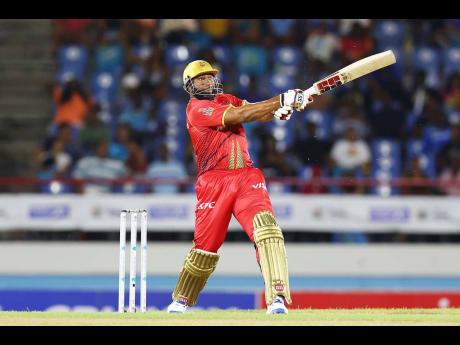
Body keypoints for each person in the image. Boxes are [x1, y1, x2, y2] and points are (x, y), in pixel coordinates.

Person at [166, 60, 313, 314]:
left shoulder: (227, 98)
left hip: (247, 177)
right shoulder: (195, 109)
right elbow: (239, 115)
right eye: (200, 78)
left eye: (209, 76)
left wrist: (282, 109)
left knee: (267, 230)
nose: (207, 81)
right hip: (214, 182)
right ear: (189, 86)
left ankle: (277, 297)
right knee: (205, 248)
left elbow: (256, 111)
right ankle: (181, 300)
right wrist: (281, 99)